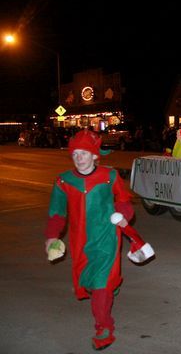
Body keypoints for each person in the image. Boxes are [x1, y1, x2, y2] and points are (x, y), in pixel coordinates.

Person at [44, 129, 137, 350]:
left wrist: (124, 216)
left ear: (95, 155)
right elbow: (57, 213)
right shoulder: (63, 181)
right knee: (89, 282)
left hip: (107, 238)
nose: (78, 158)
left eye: (83, 153)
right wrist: (51, 237)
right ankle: (105, 291)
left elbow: (124, 201)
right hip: (80, 242)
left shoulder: (110, 176)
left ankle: (104, 327)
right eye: (74, 154)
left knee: (101, 284)